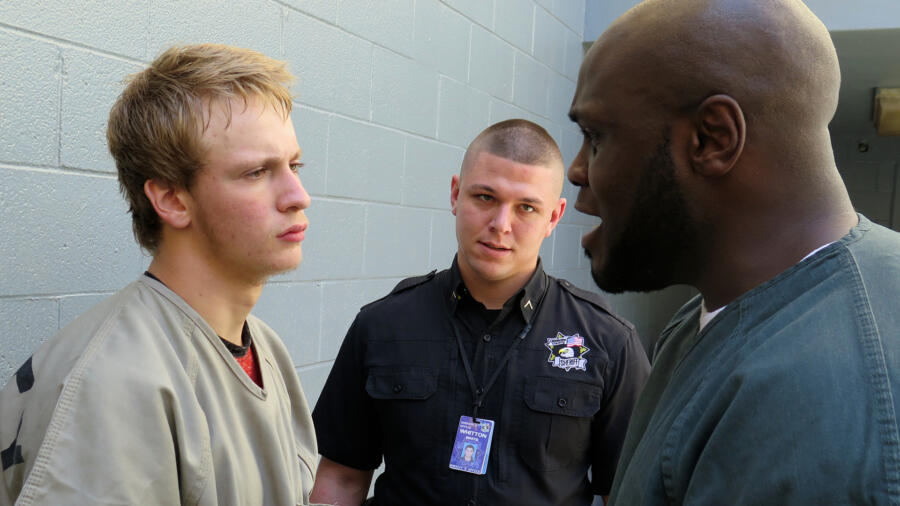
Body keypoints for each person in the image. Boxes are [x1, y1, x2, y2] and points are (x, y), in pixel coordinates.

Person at [567, 0, 900, 503]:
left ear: (712, 139)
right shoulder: (717, 315)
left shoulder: (819, 402)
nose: (576, 170)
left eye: (595, 137)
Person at [0, 44, 320, 505]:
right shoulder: (116, 382)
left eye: (294, 165)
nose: (298, 195)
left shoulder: (267, 350)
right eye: (256, 172)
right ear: (171, 200)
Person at [310, 119, 650, 505]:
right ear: (456, 195)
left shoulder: (608, 342)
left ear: (553, 218)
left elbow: (628, 494)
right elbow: (341, 479)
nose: (501, 225)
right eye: (485, 197)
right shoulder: (382, 326)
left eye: (526, 207)